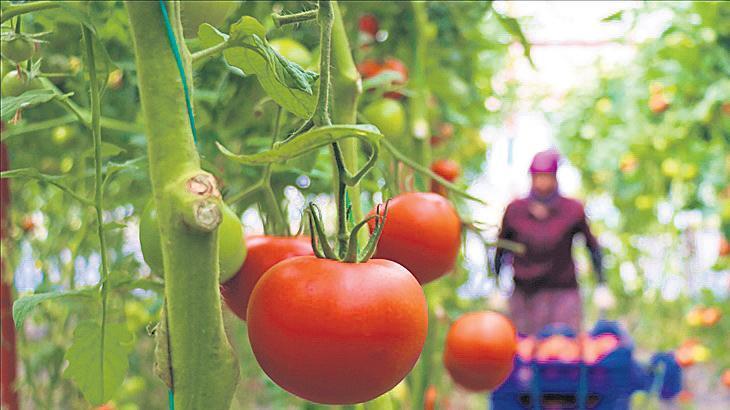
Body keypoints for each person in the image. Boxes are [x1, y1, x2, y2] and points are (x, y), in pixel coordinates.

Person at [494, 149, 614, 335]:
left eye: (546, 176)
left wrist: (601, 284)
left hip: (562, 294)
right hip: (524, 294)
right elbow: (501, 249)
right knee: (524, 346)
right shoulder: (515, 210)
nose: (542, 181)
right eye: (538, 176)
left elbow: (592, 247)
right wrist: (495, 285)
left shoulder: (572, 209)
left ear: (555, 177)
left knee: (561, 346)